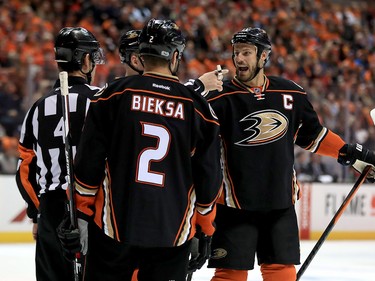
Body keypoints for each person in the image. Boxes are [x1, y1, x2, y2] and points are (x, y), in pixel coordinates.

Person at [204, 27, 375, 281]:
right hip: (234, 205)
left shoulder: (291, 93)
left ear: (263, 57)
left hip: (280, 204)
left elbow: (314, 136)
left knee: (281, 273)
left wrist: (350, 154)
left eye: (247, 53)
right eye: (236, 53)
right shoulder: (218, 97)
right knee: (230, 275)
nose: (239, 59)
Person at [69, 18, 223, 281]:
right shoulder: (199, 109)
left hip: (114, 227)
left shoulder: (111, 95)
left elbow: (88, 162)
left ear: (141, 55)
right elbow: (209, 179)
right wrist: (204, 228)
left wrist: (81, 213)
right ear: (175, 56)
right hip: (173, 233)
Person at [15, 27, 105, 281]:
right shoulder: (102, 100)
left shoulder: (38, 107)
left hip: (51, 210)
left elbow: (25, 170)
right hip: (94, 208)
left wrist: (37, 213)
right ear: (86, 60)